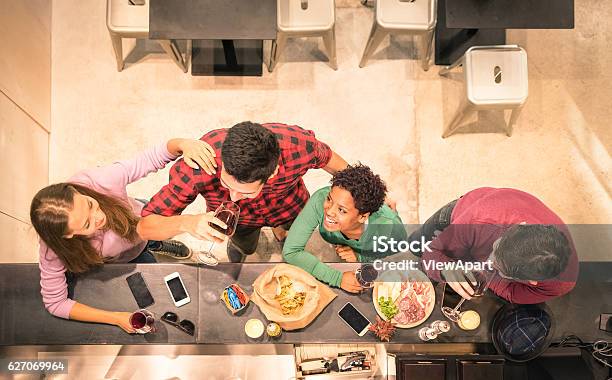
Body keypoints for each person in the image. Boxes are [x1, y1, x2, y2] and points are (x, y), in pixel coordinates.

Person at [31, 138, 217, 332]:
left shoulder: (100, 181)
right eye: (87, 224)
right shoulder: (54, 250)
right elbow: (55, 303)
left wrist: (181, 145)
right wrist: (115, 318)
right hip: (124, 257)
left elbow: (150, 158)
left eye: (90, 204)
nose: (99, 216)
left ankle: (157, 244)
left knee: (155, 235)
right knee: (154, 283)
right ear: (68, 236)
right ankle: (153, 245)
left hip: (140, 220)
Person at [137, 121, 349, 263]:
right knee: (245, 248)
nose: (233, 198)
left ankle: (282, 233)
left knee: (291, 233)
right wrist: (186, 223)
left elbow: (328, 158)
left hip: (291, 206)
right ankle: (243, 248)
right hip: (240, 224)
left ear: (273, 172)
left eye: (246, 193)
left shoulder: (297, 145)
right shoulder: (199, 166)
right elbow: (144, 228)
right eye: (227, 186)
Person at [408, 187, 578, 304]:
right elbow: (430, 253)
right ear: (521, 225)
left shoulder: (562, 284)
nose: (488, 263)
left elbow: (512, 293)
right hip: (461, 213)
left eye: (498, 269)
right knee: (416, 245)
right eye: (496, 247)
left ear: (532, 281)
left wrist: (489, 279)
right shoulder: (478, 219)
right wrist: (444, 268)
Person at [283, 164, 407, 293]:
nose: (329, 211)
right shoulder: (320, 199)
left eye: (341, 210)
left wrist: (360, 257)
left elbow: (396, 259)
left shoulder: (389, 228)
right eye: (329, 199)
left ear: (362, 216)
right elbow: (291, 251)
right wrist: (337, 278)